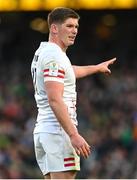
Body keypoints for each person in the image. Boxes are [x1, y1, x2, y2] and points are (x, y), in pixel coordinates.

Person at [31, 7, 116, 179]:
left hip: (45, 131)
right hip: (58, 133)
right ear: (54, 28)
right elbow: (54, 99)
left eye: (76, 27)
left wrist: (96, 68)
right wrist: (73, 135)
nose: (74, 31)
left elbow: (68, 72)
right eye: (69, 26)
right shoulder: (54, 56)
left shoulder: (44, 52)